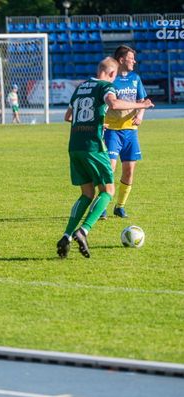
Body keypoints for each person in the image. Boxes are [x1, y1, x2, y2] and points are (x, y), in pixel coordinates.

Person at [57, 57, 154, 259]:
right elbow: (114, 103)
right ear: (111, 74)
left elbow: (68, 116)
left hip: (75, 146)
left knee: (86, 194)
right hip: (93, 147)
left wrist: (97, 123)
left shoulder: (81, 87)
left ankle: (66, 236)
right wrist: (141, 105)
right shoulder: (105, 87)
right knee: (108, 191)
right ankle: (83, 231)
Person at [102, 45, 148, 219]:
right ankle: (102, 205)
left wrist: (140, 116)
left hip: (130, 131)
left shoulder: (135, 78)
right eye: (131, 59)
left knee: (129, 170)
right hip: (112, 131)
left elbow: (142, 100)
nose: (134, 62)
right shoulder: (110, 79)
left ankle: (120, 206)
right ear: (121, 60)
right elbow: (103, 103)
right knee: (110, 169)